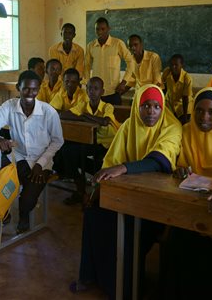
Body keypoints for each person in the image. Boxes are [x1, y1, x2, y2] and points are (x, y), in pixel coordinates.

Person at [70, 84, 182, 299]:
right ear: (137, 107)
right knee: (95, 215)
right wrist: (96, 190)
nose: (151, 112)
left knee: (130, 231)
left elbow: (160, 160)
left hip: (155, 202)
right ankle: (91, 275)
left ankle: (126, 287)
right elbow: (111, 161)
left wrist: (124, 168)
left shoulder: (172, 127)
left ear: (163, 108)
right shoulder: (128, 126)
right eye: (145, 106)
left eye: (157, 107)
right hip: (128, 195)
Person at [0, 70, 64, 233]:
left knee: (27, 200)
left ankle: (24, 215)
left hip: (42, 160)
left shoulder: (48, 112)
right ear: (18, 87)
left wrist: (40, 164)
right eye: (26, 89)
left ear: (39, 89)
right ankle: (3, 213)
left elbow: (57, 141)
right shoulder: (9, 106)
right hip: (17, 157)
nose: (30, 93)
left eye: (34, 89)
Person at [57, 77, 120, 205]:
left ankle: (87, 189)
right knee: (66, 150)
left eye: (96, 89)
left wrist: (84, 116)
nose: (92, 91)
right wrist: (84, 117)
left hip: (109, 143)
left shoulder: (107, 106)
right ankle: (80, 188)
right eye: (89, 88)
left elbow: (104, 121)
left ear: (102, 91)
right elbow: (63, 115)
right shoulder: (84, 105)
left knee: (73, 154)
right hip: (92, 141)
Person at [85, 17, 136, 105]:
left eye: (103, 29)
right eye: (97, 29)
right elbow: (86, 66)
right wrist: (87, 83)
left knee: (114, 117)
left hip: (113, 91)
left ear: (108, 29)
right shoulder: (91, 46)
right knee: (95, 117)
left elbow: (130, 62)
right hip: (96, 93)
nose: (100, 32)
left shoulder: (118, 44)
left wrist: (124, 82)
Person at [161, 54, 193, 124]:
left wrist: (185, 117)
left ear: (181, 66)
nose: (173, 67)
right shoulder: (167, 72)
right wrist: (161, 102)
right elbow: (163, 87)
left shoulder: (187, 78)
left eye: (176, 65)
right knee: (165, 122)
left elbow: (185, 98)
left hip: (183, 105)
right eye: (171, 65)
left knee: (182, 123)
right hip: (169, 103)